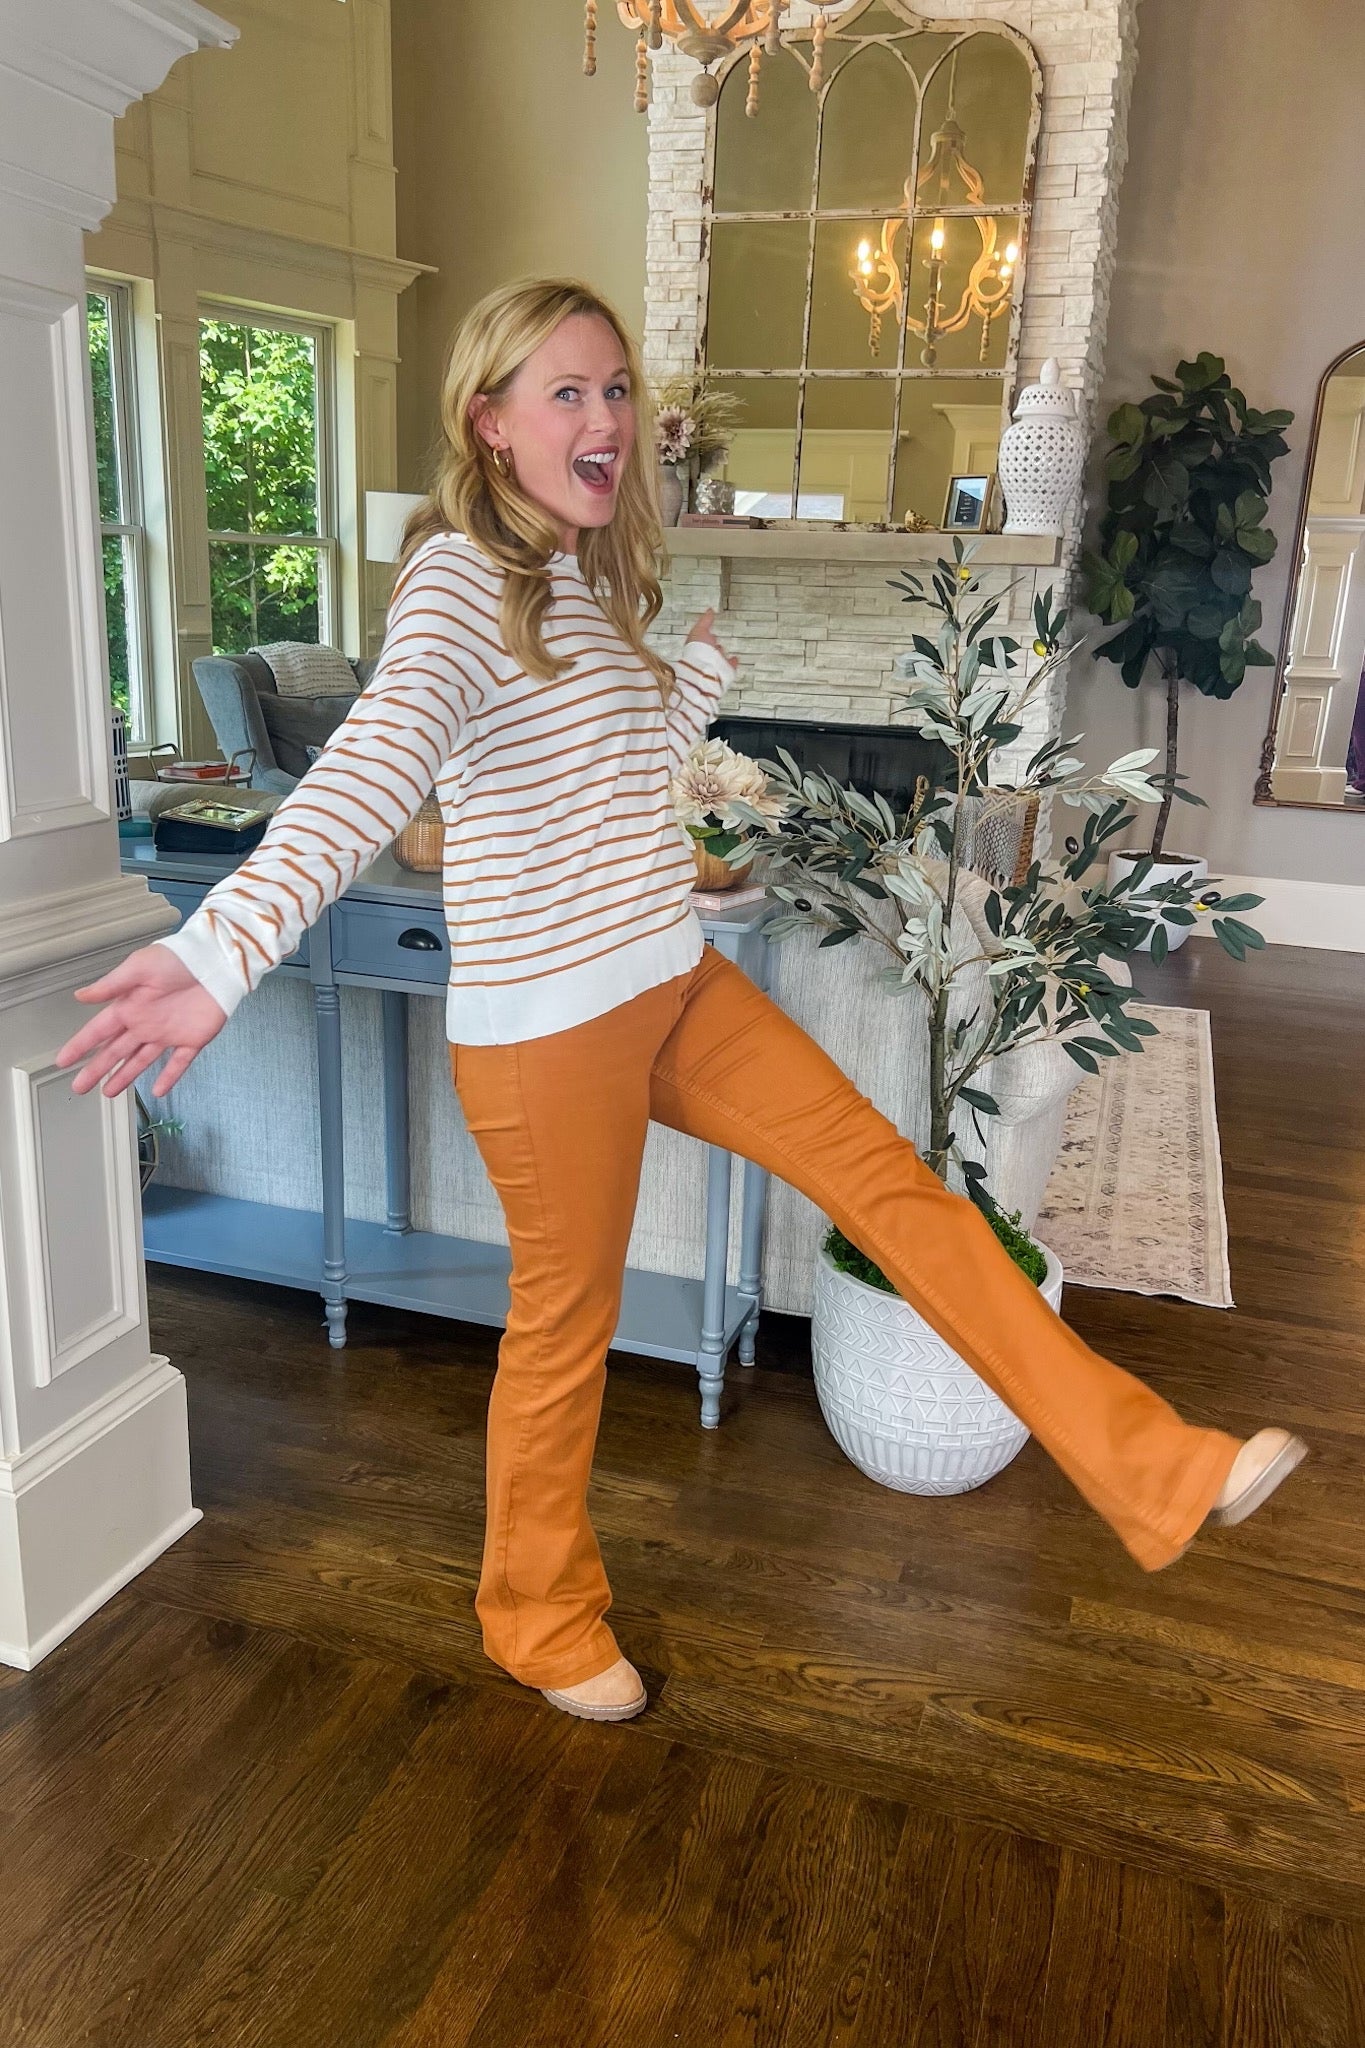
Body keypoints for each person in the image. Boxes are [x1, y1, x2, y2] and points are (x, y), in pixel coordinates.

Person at [57, 278, 1307, 1726]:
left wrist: (690, 685)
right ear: (490, 421)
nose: (604, 416)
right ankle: (534, 1619)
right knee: (564, 1331)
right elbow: (371, 770)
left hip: (666, 978)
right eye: (565, 392)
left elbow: (608, 771)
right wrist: (218, 952)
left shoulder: (581, 578)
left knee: (892, 1186)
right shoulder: (458, 579)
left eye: (614, 388)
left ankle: (1154, 1467)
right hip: (548, 1034)